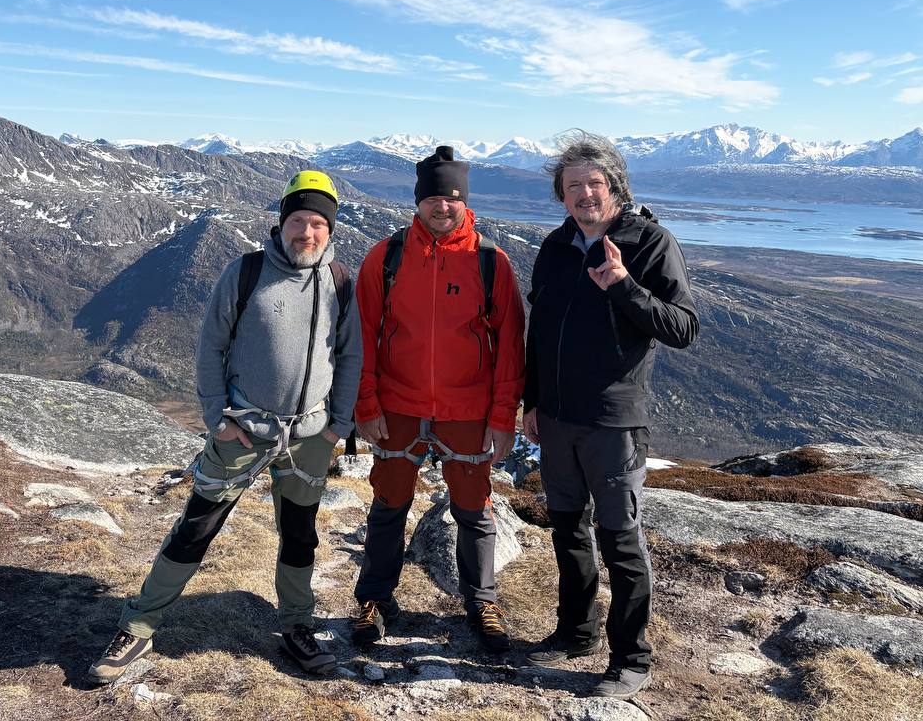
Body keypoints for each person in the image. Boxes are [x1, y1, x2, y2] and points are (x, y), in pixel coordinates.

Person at [90, 170, 362, 682]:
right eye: (299, 221)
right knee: (197, 526)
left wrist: (337, 427)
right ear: (282, 223)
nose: (308, 233)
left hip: (309, 438)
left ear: (331, 230)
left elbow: (349, 357)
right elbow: (209, 348)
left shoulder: (341, 284)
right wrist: (217, 419)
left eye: (318, 224)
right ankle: (140, 624)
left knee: (300, 535)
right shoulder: (245, 274)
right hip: (243, 429)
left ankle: (296, 627)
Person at [522, 131, 698, 699]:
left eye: (593, 183)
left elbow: (682, 328)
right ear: (561, 196)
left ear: (615, 186)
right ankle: (575, 632)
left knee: (620, 537)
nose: (584, 195)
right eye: (572, 186)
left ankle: (630, 658)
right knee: (568, 528)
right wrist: (531, 400)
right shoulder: (555, 246)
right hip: (555, 416)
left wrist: (624, 285)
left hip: (613, 419)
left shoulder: (649, 242)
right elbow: (539, 331)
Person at [351, 146, 526, 653]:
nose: (441, 208)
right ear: (418, 202)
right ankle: (374, 599)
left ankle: (481, 601)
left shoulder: (491, 263)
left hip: (467, 409)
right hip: (398, 405)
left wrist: (502, 418)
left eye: (450, 199)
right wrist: (366, 404)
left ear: (463, 202)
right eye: (432, 198)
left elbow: (509, 347)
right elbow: (361, 333)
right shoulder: (386, 257)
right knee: (388, 503)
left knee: (473, 508)